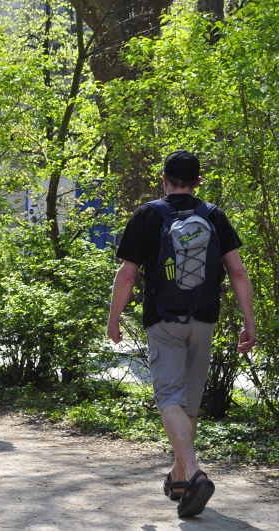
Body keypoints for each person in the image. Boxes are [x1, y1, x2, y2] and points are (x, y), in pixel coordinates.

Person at [107, 150, 256, 518]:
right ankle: (178, 478)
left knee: (169, 396)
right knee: (188, 401)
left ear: (164, 179)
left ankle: (194, 472)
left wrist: (114, 318)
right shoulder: (214, 215)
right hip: (204, 319)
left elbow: (127, 274)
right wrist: (249, 322)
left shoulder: (148, 214)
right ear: (198, 183)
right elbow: (237, 272)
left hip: (163, 320)